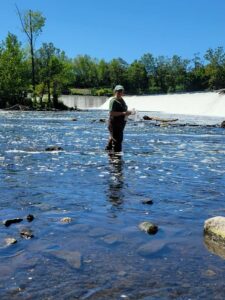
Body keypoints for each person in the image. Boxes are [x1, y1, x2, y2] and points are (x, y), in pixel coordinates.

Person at [105, 85, 132, 152]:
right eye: (118, 91)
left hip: (120, 124)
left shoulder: (122, 100)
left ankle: (109, 154)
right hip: (114, 124)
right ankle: (117, 160)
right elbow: (111, 113)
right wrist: (123, 113)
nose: (119, 92)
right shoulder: (113, 101)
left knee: (113, 139)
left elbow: (123, 111)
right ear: (115, 91)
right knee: (117, 142)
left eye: (121, 91)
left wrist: (128, 112)